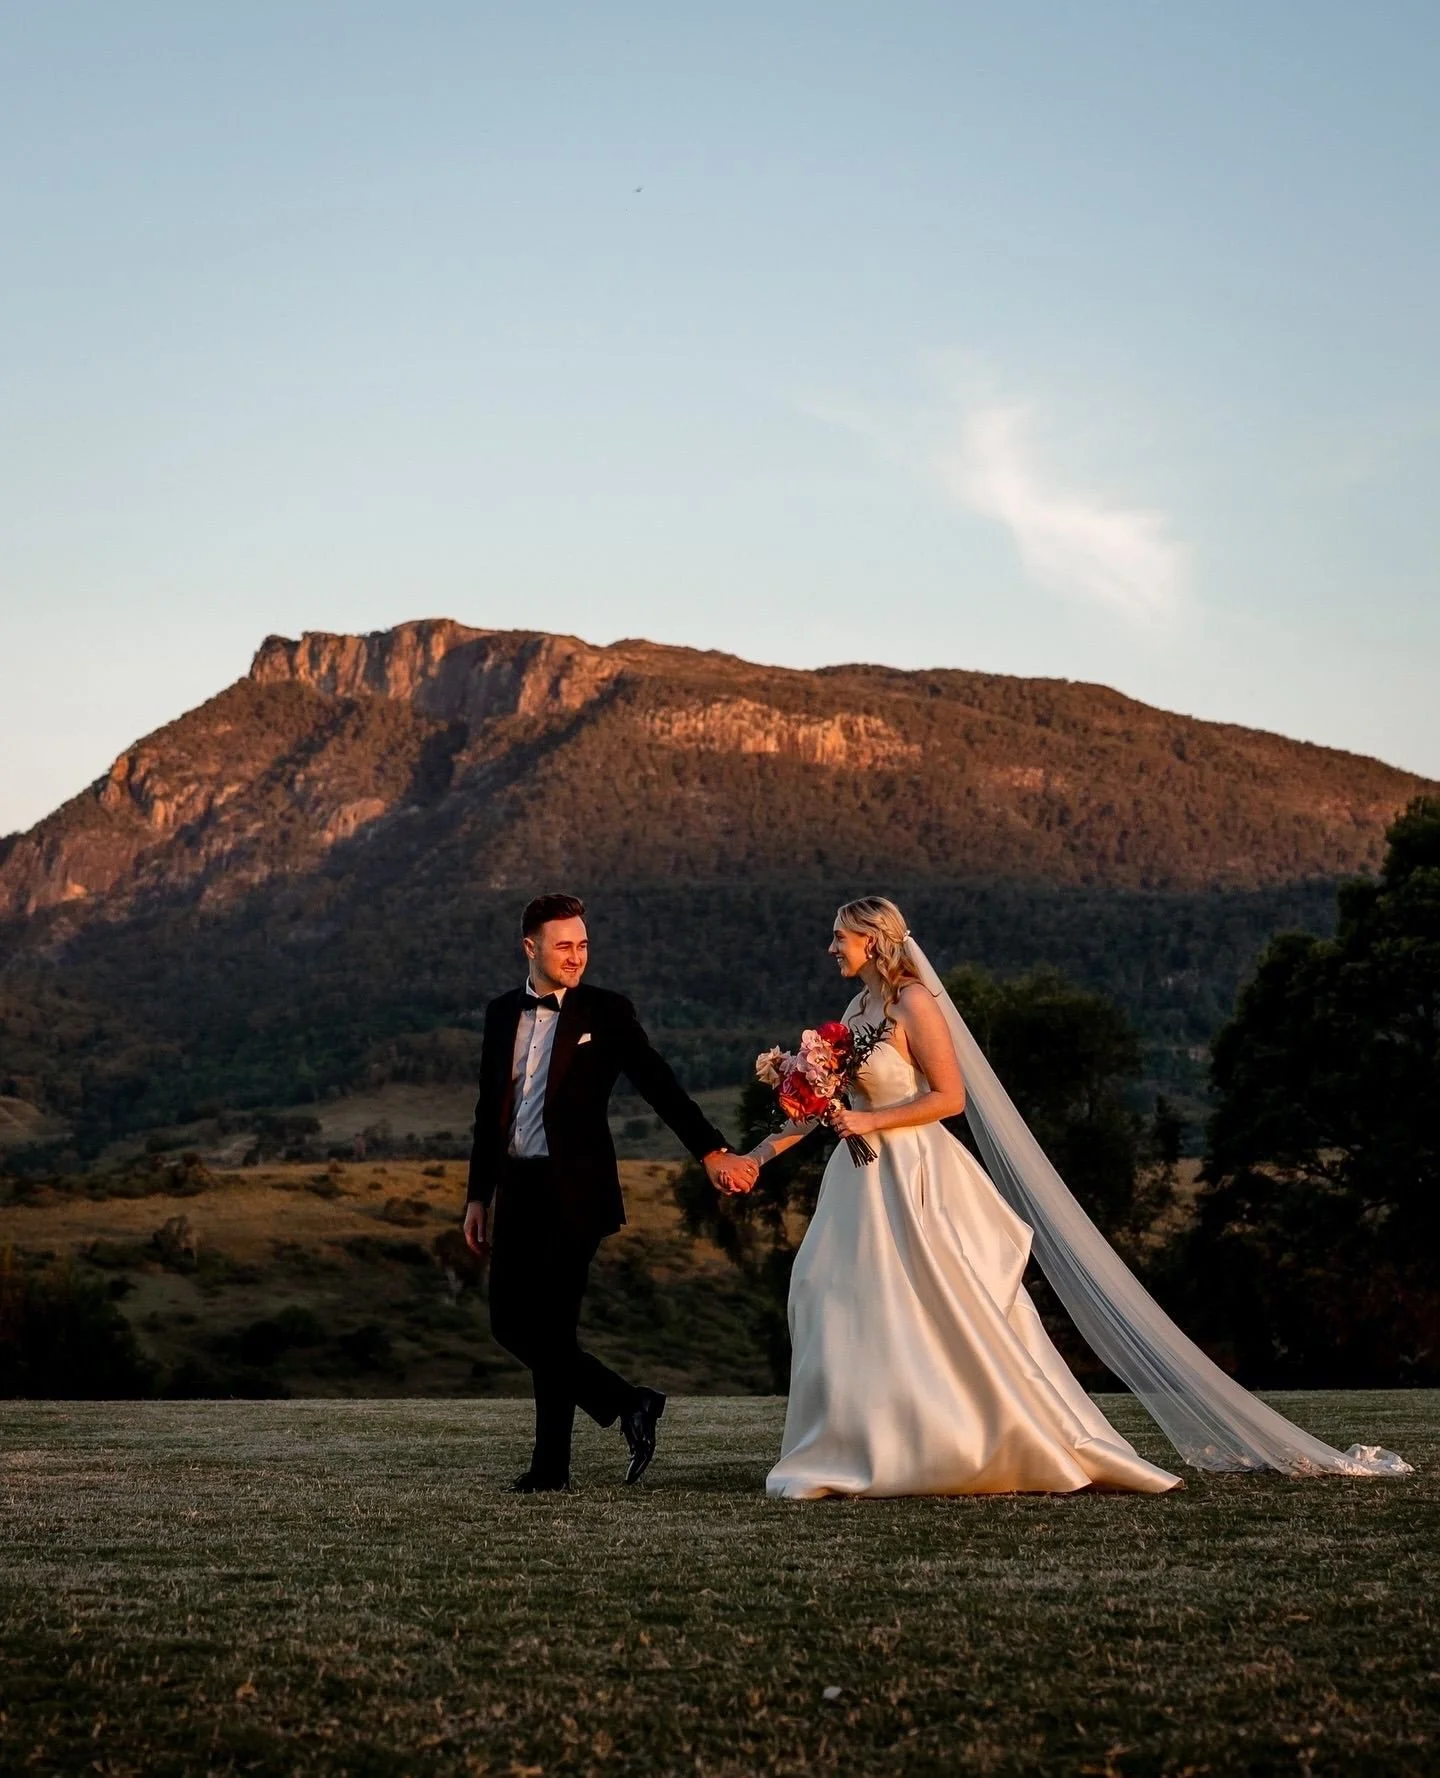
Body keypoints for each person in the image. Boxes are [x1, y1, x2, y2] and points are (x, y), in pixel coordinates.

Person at [744, 897, 1408, 1497]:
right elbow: (826, 1108)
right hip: (859, 1179)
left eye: (839, 937)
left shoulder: (915, 1003)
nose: (831, 947)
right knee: (833, 1291)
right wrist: (757, 1156)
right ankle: (868, 1442)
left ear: (873, 939)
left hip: (914, 1171)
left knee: (937, 1305)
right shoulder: (855, 1013)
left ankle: (971, 1440)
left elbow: (950, 1098)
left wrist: (870, 1121)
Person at [463, 893, 757, 1492]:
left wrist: (711, 1151)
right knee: (511, 1325)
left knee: (553, 1329)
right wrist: (478, 1196)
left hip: (577, 1194)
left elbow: (659, 1084)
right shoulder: (500, 1014)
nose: (576, 956)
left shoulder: (607, 1010)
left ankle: (550, 1470)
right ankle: (629, 1402)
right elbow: (488, 1111)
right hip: (516, 1189)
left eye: (583, 945)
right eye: (563, 946)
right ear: (530, 948)